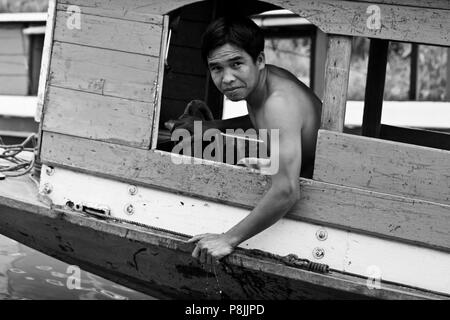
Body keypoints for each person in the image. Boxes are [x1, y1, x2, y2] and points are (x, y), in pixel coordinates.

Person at [171, 16, 322, 265]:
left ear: (259, 60)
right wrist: (208, 126)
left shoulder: (279, 103)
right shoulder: (264, 84)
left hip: (310, 194)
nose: (227, 78)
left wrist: (228, 239)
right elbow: (258, 119)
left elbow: (287, 191)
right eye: (216, 68)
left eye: (236, 63)